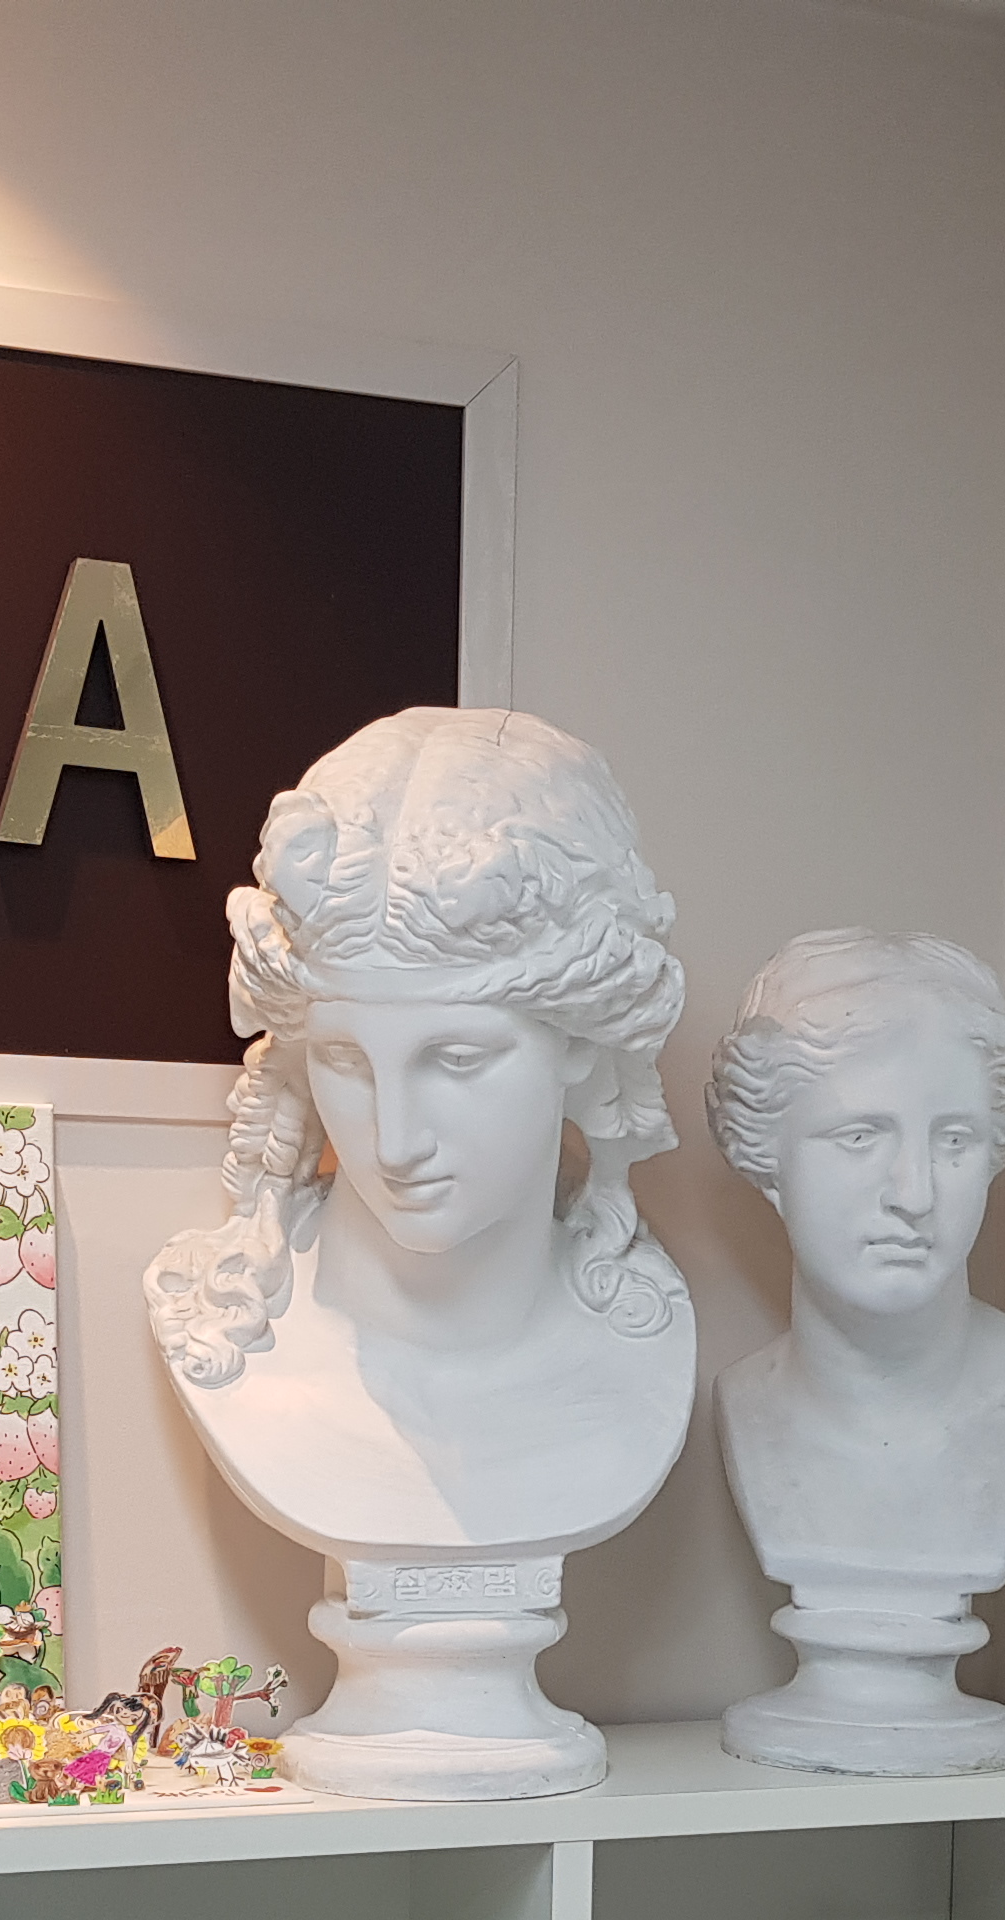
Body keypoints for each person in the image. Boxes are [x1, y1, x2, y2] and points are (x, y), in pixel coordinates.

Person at [144, 707, 696, 1794]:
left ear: (583, 1051)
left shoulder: (643, 1339)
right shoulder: (233, 1333)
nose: (395, 1140)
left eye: (457, 1058)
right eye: (348, 1061)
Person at [707, 929, 1005, 1772]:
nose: (914, 1194)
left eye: (955, 1140)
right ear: (766, 1159)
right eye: (860, 1137)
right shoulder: (743, 1401)